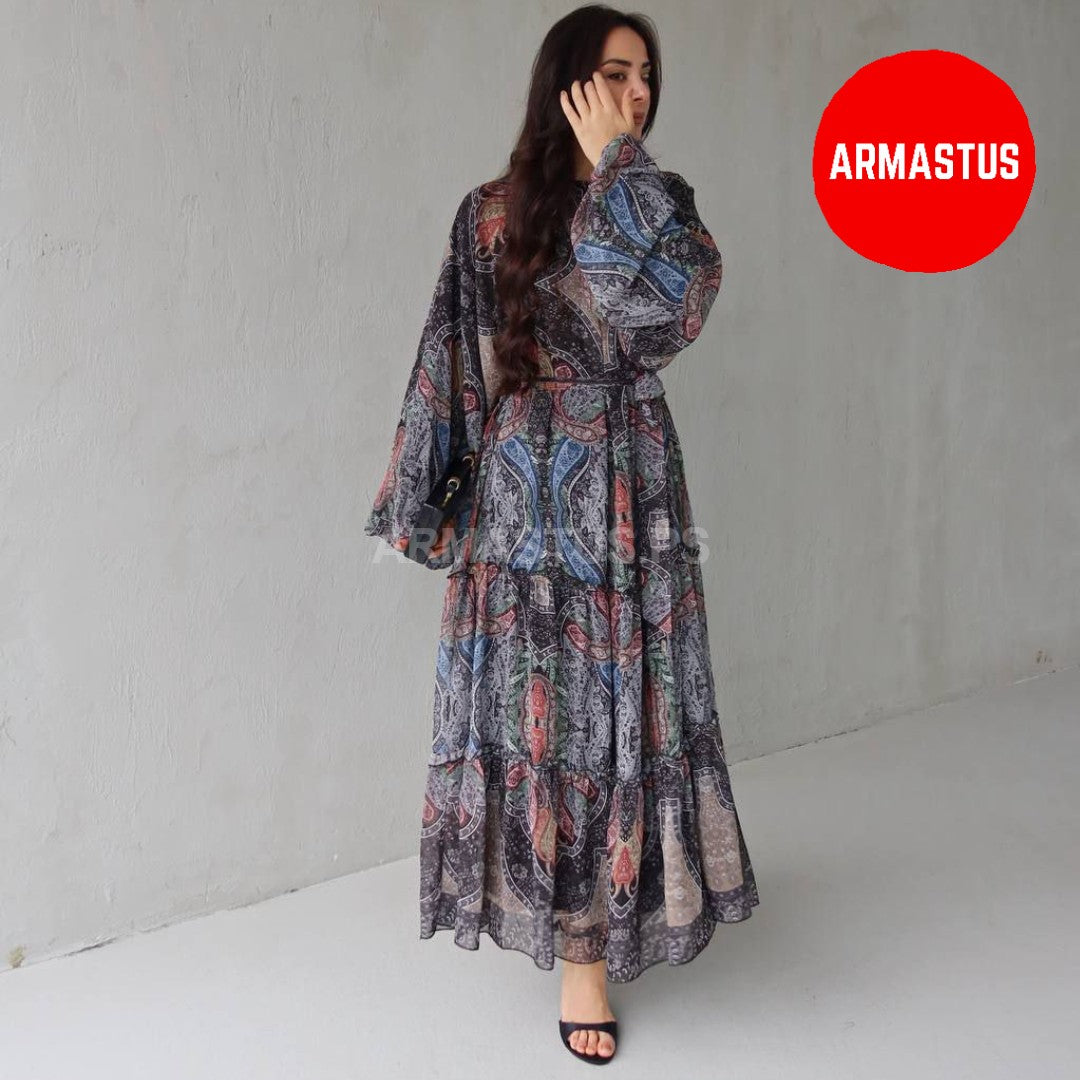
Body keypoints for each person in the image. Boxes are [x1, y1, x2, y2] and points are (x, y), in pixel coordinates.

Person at [364, 4, 759, 1064]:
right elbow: (453, 352)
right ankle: (573, 946)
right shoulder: (489, 212)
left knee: (624, 712)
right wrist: (421, 498)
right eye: (615, 75)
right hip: (518, 496)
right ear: (566, 83)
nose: (637, 93)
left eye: (647, 77)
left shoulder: (661, 204)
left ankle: (606, 929)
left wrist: (620, 167)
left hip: (630, 487)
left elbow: (669, 320)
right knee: (544, 720)